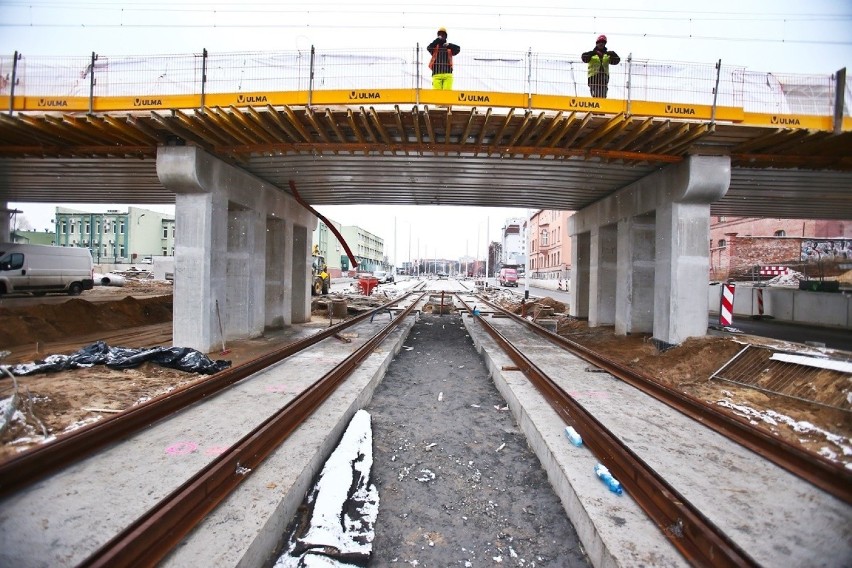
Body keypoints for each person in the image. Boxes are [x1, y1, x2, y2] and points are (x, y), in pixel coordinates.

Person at [581, 34, 620, 99]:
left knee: (603, 97)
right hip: (593, 79)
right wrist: (592, 53)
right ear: (596, 43)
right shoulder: (592, 54)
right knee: (595, 96)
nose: (601, 44)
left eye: (603, 42)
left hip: (604, 80)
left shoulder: (607, 55)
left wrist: (613, 54)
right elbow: (584, 58)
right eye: (599, 42)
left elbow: (616, 61)